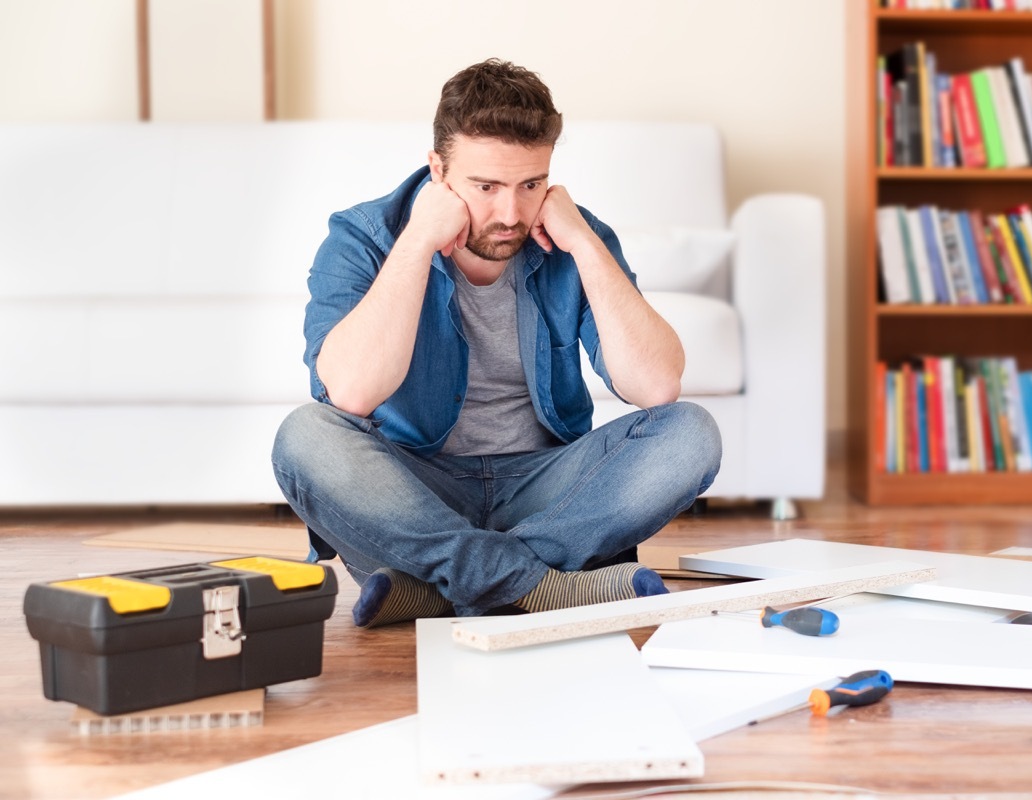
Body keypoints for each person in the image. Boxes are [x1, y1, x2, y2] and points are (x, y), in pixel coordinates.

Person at [271, 59, 722, 627]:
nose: (509, 214)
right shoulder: (364, 237)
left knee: (690, 433)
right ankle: (539, 585)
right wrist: (415, 244)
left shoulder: (574, 237)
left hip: (545, 487)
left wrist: (583, 241)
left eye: (530, 185)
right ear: (438, 170)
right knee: (304, 437)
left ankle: (440, 587)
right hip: (416, 488)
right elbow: (353, 394)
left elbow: (656, 385)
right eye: (486, 187)